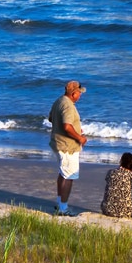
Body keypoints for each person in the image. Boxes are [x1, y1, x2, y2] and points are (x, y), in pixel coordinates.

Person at [48, 80, 86, 215]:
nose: (80, 96)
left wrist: (75, 130)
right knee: (69, 175)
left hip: (58, 143)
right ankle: (63, 208)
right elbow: (67, 126)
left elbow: (51, 119)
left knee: (63, 173)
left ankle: (60, 203)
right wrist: (79, 137)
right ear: (73, 93)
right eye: (79, 93)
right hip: (67, 146)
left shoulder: (59, 101)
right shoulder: (69, 106)